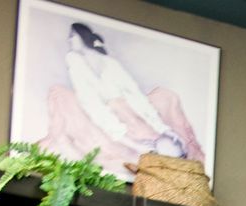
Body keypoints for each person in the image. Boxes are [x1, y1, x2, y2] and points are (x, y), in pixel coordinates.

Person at [40, 22, 205, 176]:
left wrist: (162, 128)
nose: (69, 40)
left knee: (165, 103)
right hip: (98, 117)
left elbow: (134, 95)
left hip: (127, 114)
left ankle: (167, 154)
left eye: (73, 35)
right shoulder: (74, 60)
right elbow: (92, 104)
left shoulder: (110, 63)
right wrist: (130, 142)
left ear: (83, 37)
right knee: (61, 98)